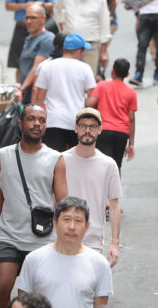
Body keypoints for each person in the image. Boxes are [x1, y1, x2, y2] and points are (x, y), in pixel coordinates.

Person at [0, 104, 67, 308]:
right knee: (1, 288)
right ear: (21, 124)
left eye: (42, 120)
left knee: (34, 299)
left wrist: (65, 242)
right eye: (31, 119)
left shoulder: (56, 159)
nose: (37, 124)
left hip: (42, 239)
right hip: (8, 236)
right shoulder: (3, 155)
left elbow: (63, 204)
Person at [17, 197, 114, 307]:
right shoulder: (33, 259)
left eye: (78, 221)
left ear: (86, 227)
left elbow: (100, 305)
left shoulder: (99, 264)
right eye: (66, 220)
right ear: (54, 223)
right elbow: (23, 303)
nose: (71, 227)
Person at [62, 108, 122, 266]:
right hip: (62, 238)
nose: (87, 130)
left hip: (93, 241)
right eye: (83, 126)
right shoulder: (61, 160)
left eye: (93, 126)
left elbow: (115, 205)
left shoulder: (108, 164)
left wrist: (115, 243)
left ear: (100, 130)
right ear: (76, 128)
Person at [32, 34, 96, 152]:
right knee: (74, 162)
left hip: (53, 121)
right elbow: (93, 97)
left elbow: (38, 100)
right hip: (76, 122)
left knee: (53, 162)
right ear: (78, 50)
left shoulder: (47, 67)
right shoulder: (85, 68)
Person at [5, 0, 56, 78]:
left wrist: (41, 4)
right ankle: (20, 89)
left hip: (40, 29)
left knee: (42, 62)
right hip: (22, 27)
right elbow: (8, 5)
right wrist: (25, 6)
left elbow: (53, 4)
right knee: (19, 62)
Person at [54, 0, 111, 74]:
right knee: (69, 76)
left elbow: (104, 23)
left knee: (88, 77)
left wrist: (103, 50)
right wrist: (61, 26)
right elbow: (57, 10)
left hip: (90, 44)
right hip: (70, 45)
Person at [86, 58, 137, 170]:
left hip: (104, 130)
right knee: (116, 165)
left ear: (112, 71)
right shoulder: (131, 92)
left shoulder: (102, 85)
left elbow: (90, 103)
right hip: (122, 133)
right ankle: (116, 187)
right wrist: (131, 143)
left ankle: (102, 187)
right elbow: (131, 118)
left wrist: (85, 96)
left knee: (102, 164)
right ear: (127, 74)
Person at [18, 4, 55, 104]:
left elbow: (36, 68)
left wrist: (22, 88)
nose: (29, 21)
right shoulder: (28, 38)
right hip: (25, 92)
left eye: (33, 18)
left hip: (35, 95)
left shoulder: (47, 39)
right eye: (27, 18)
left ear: (43, 19)